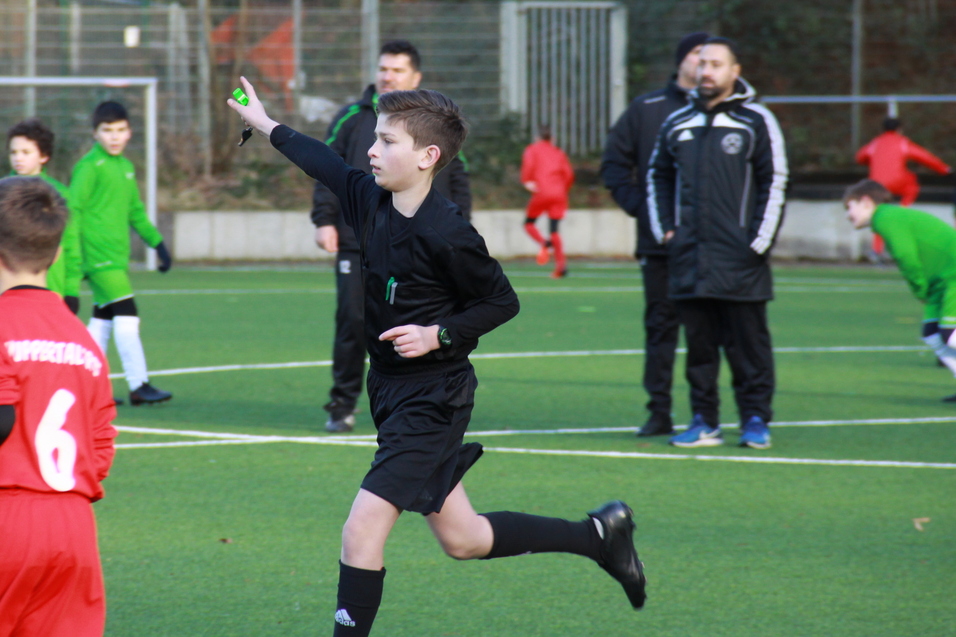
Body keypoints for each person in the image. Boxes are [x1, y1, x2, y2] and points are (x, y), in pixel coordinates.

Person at [229, 78, 647, 636]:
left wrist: (438, 334)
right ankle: (599, 537)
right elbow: (321, 161)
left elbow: (501, 301)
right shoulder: (368, 201)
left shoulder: (449, 232)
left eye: (387, 141)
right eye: (373, 139)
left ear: (428, 157)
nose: (372, 151)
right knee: (464, 538)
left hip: (434, 397)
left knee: (361, 531)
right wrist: (263, 122)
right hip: (391, 391)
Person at [311, 40, 472, 433]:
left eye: (397, 71)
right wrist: (324, 219)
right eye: (383, 69)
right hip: (358, 241)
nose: (387, 76)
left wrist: (459, 232)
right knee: (353, 321)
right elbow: (327, 168)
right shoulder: (353, 116)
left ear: (414, 77)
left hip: (422, 246)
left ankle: (424, 402)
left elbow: (458, 179)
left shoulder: (432, 122)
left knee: (424, 323)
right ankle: (342, 404)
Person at [647, 37, 788, 449]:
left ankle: (756, 419)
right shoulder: (677, 122)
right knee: (700, 350)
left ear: (734, 71)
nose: (706, 71)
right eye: (702, 63)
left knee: (749, 347)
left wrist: (758, 242)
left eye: (716, 64)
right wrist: (667, 231)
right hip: (689, 255)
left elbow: (775, 180)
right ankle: (704, 420)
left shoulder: (757, 120)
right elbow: (657, 175)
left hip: (741, 256)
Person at [0, 176, 118, 636]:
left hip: (9, 513)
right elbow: (101, 445)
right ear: (53, 253)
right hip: (72, 526)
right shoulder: (83, 340)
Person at [601, 31, 709, 437]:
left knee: (707, 332)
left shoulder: (722, 111)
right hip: (659, 245)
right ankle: (659, 411)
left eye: (712, 58)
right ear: (681, 60)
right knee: (661, 328)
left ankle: (707, 415)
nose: (704, 64)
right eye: (698, 55)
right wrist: (646, 213)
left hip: (711, 246)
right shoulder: (647, 108)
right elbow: (613, 164)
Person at [70, 101, 174, 406]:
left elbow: (135, 212)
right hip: (97, 257)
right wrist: (76, 260)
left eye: (120, 130)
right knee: (128, 317)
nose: (114, 137)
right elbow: (72, 211)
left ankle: (85, 387)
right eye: (107, 131)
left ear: (129, 132)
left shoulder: (126, 167)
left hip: (115, 258)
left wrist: (158, 244)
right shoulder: (89, 167)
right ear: (95, 134)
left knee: (102, 322)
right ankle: (139, 385)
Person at [843, 179, 956, 400]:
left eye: (850, 207)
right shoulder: (888, 217)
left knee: (950, 334)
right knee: (932, 334)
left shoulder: (885, 217)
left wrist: (919, 288)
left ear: (866, 202)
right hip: (941, 283)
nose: (848, 214)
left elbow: (906, 256)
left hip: (952, 276)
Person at [7, 118, 82, 315]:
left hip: (51, 289)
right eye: (13, 152)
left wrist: (72, 291)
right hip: (7, 290)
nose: (18, 158)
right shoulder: (3, 193)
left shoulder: (60, 194)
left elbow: (71, 245)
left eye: (26, 152)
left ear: (44, 156)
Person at [855, 117, 951, 258]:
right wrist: (943, 169)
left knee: (879, 214)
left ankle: (876, 250)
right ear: (899, 129)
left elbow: (859, 157)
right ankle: (903, 207)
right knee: (912, 182)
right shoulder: (902, 143)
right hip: (898, 182)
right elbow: (924, 156)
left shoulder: (875, 143)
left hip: (876, 185)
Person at [520, 124, 575, 278]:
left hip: (541, 191)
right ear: (553, 139)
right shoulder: (558, 152)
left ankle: (544, 243)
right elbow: (569, 174)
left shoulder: (532, 149)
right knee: (555, 230)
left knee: (529, 223)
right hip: (559, 193)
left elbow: (528, 166)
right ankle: (561, 266)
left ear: (537, 138)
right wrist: (563, 189)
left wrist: (527, 181)